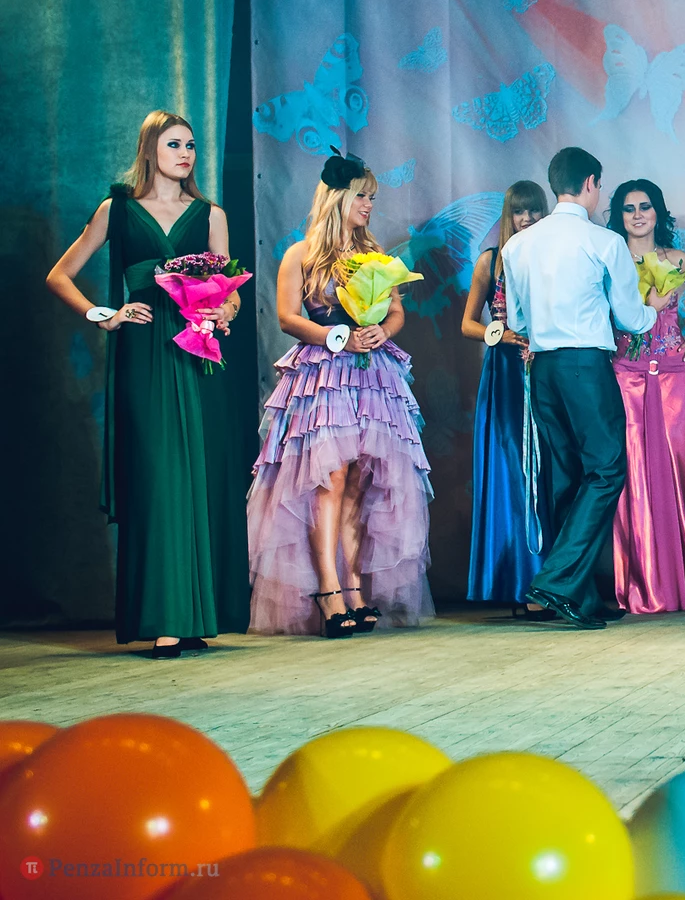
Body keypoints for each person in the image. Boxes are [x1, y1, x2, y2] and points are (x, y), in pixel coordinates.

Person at [45, 109, 250, 658]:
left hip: (197, 353)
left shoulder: (210, 214)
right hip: (143, 353)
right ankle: (164, 617)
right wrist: (103, 315)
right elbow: (59, 275)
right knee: (158, 478)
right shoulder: (117, 209)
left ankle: (196, 616)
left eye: (191, 146)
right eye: (174, 144)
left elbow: (229, 288)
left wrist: (224, 311)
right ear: (150, 149)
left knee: (199, 477)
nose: (185, 154)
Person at [247, 150, 434, 637]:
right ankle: (328, 590)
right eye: (361, 196)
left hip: (371, 376)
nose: (369, 205)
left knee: (357, 482)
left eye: (373, 197)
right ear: (336, 198)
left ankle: (352, 586)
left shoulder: (376, 254)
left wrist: (382, 331)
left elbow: (396, 311)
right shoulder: (302, 254)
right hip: (323, 375)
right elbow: (287, 317)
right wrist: (339, 337)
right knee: (328, 479)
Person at [504, 147, 662, 630]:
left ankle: (579, 594)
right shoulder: (603, 240)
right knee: (607, 469)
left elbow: (517, 321)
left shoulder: (517, 246)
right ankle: (556, 581)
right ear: (591, 183)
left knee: (565, 477)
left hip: (543, 369)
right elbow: (630, 317)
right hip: (585, 367)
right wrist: (654, 307)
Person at [607, 179, 685, 614]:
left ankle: (681, 583)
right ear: (619, 216)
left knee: (675, 473)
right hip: (624, 374)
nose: (638, 215)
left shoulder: (675, 259)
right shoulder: (611, 259)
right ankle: (641, 586)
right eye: (629, 208)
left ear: (658, 212)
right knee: (633, 478)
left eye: (645, 206)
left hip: (673, 374)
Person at [462, 180, 550, 611]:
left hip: (546, 369)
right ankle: (516, 581)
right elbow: (468, 325)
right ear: (508, 216)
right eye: (520, 211)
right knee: (512, 472)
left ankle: (549, 581)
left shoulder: (553, 255)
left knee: (546, 473)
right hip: (505, 374)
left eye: (535, 211)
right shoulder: (491, 260)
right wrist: (501, 334)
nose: (527, 219)